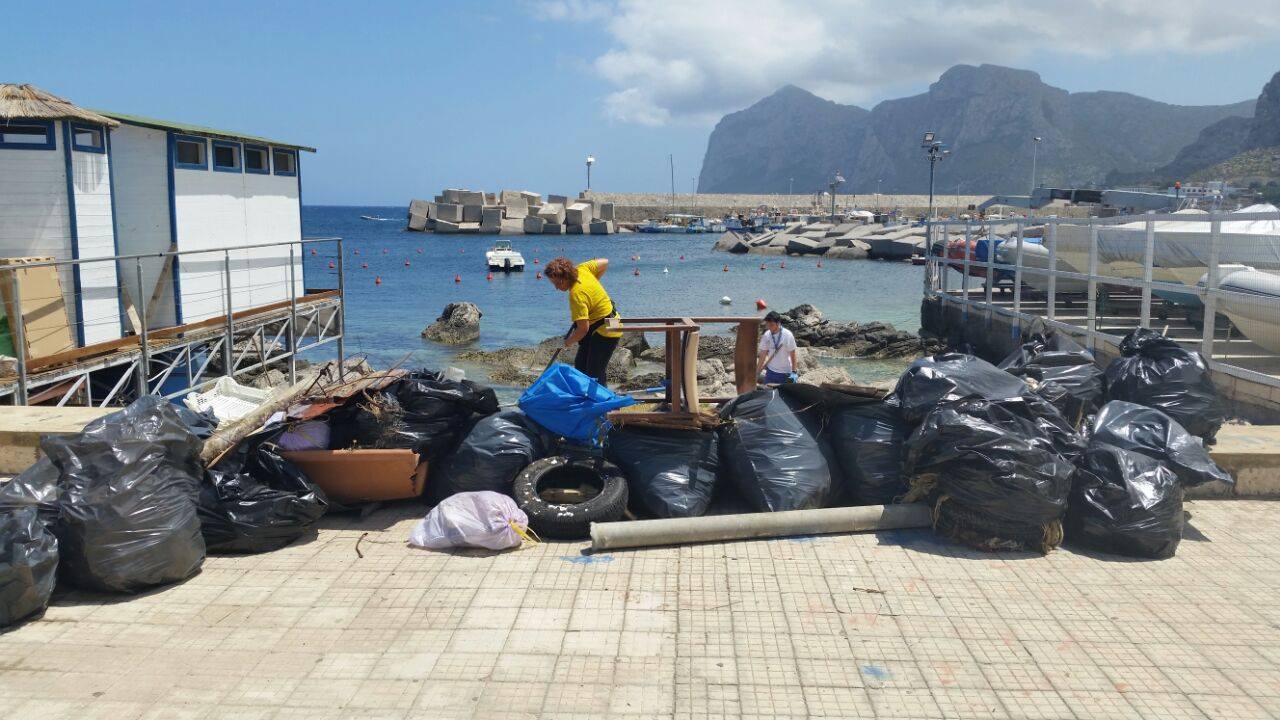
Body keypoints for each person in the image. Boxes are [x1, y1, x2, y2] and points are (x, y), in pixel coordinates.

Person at [544, 257, 621, 386]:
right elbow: (605, 262)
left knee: (594, 373)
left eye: (557, 283)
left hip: (608, 329)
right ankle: (589, 400)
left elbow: (582, 329)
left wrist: (566, 343)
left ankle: (604, 403)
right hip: (601, 323)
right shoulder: (582, 269)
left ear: (565, 278)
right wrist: (594, 283)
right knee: (580, 368)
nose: (556, 288)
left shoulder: (576, 295)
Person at [757, 310, 798, 384]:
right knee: (768, 394)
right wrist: (757, 372)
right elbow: (762, 355)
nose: (769, 327)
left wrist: (794, 372)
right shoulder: (767, 335)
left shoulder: (788, 335)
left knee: (784, 395)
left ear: (778, 323)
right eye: (767, 324)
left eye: (771, 325)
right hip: (771, 372)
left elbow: (793, 354)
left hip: (785, 373)